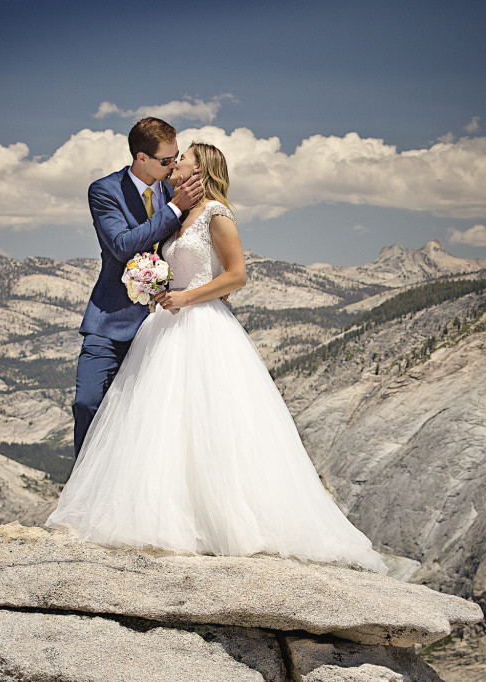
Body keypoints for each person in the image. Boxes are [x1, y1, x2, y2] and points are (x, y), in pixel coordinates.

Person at [47, 143, 387, 573]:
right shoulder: (176, 215)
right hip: (165, 326)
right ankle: (166, 514)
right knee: (161, 423)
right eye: (171, 157)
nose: (175, 162)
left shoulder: (216, 213)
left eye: (182, 157)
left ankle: (225, 520)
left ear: (200, 167)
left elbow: (237, 274)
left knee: (212, 421)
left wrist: (188, 296)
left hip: (203, 324)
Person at [72, 117, 204, 457]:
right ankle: (81, 493)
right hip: (110, 321)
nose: (173, 165)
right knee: (87, 403)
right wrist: (175, 208)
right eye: (165, 160)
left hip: (163, 327)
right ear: (140, 158)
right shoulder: (105, 191)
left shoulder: (176, 188)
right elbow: (122, 245)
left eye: (175, 156)